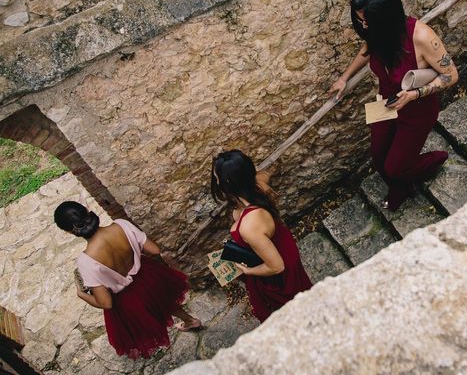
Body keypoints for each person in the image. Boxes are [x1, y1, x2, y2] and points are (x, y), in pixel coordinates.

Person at [329, 0, 458, 211]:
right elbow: (367, 49)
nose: (364, 26)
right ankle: (402, 181)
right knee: (379, 157)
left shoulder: (422, 36)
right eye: (360, 20)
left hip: (417, 110)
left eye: (367, 20)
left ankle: (431, 162)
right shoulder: (378, 32)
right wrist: (343, 78)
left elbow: (451, 75)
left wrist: (414, 94)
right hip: (387, 103)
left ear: (385, 16)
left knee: (395, 167)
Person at [54, 201, 201, 359]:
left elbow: (106, 303)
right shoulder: (121, 225)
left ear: (69, 231)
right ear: (87, 211)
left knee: (142, 329)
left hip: (128, 299)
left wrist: (82, 295)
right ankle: (191, 321)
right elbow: (154, 249)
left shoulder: (86, 262)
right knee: (164, 302)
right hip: (148, 277)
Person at [211, 150, 312, 322]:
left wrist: (248, 270)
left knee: (293, 306)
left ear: (227, 182)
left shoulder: (249, 227)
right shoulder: (257, 185)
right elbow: (265, 174)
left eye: (217, 177)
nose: (216, 180)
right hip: (278, 243)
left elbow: (277, 267)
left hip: (278, 268)